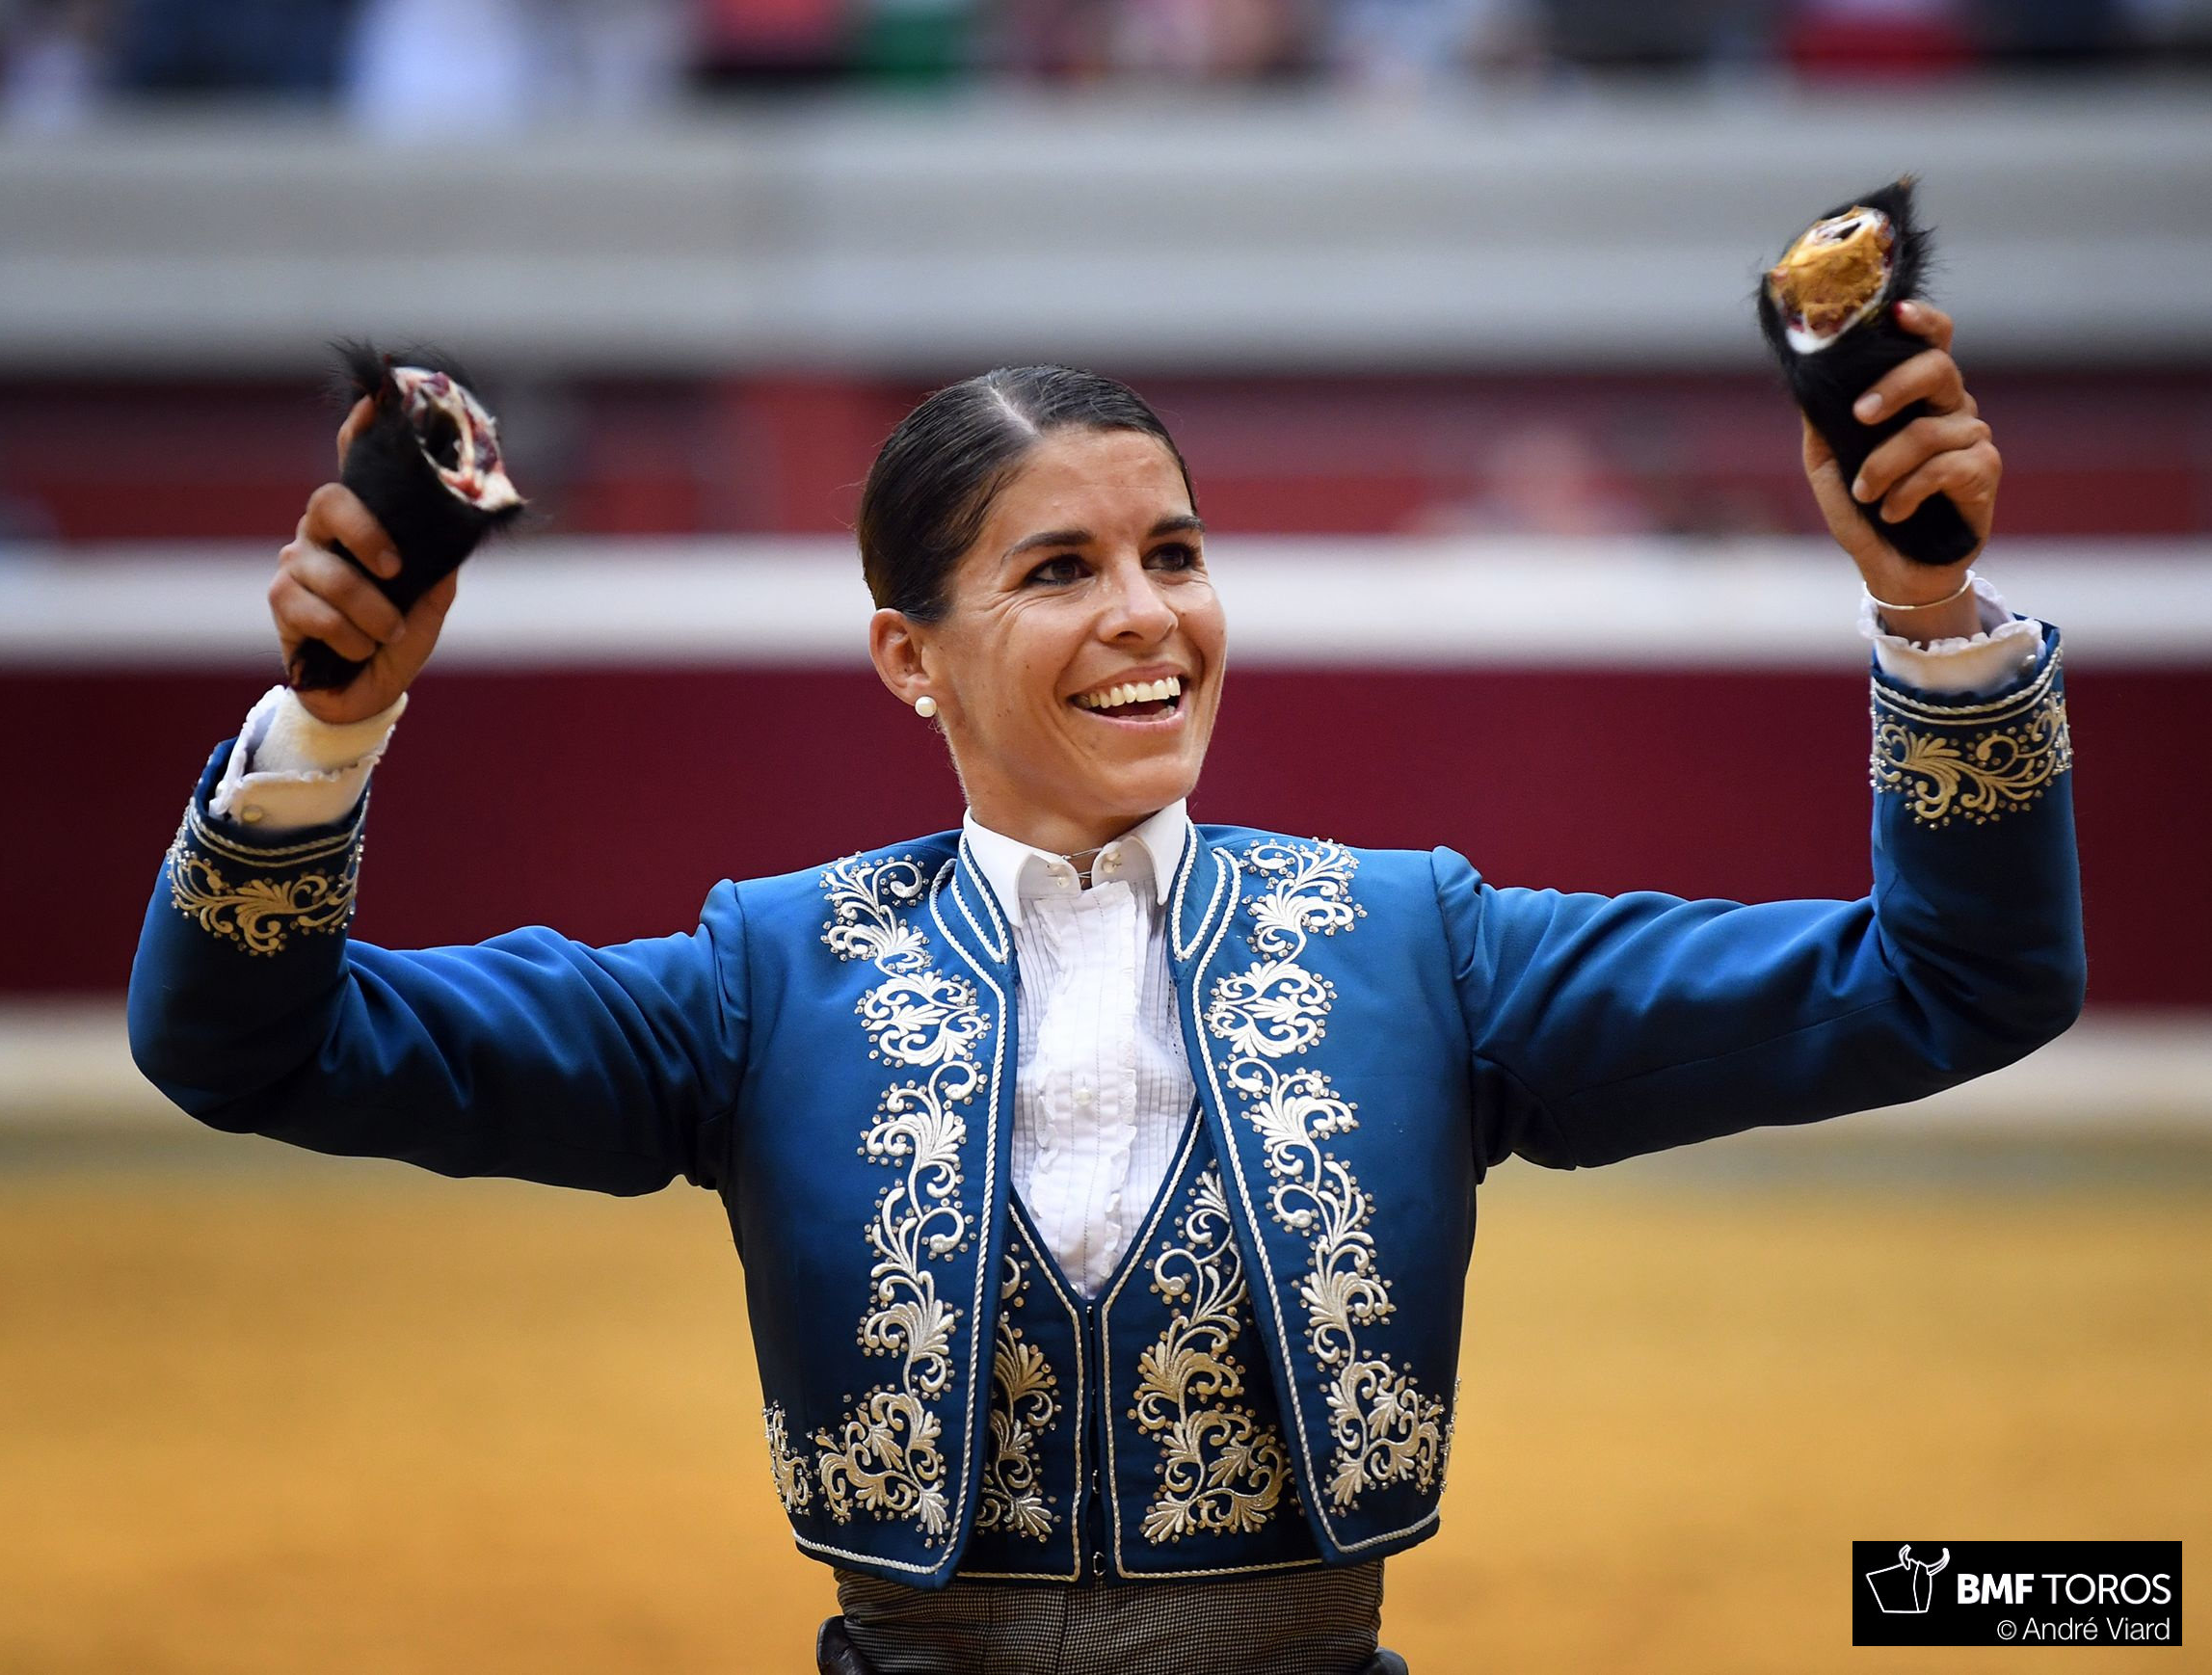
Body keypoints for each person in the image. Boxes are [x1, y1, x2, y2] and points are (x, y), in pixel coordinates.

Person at [128, 300, 2083, 1675]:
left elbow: (1950, 976)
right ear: (911, 657)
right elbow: (245, 1040)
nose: (1148, 613)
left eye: (1173, 547)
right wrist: (332, 723)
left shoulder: (1425, 944)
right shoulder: (759, 978)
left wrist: (1922, 610)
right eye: (1057, 567)